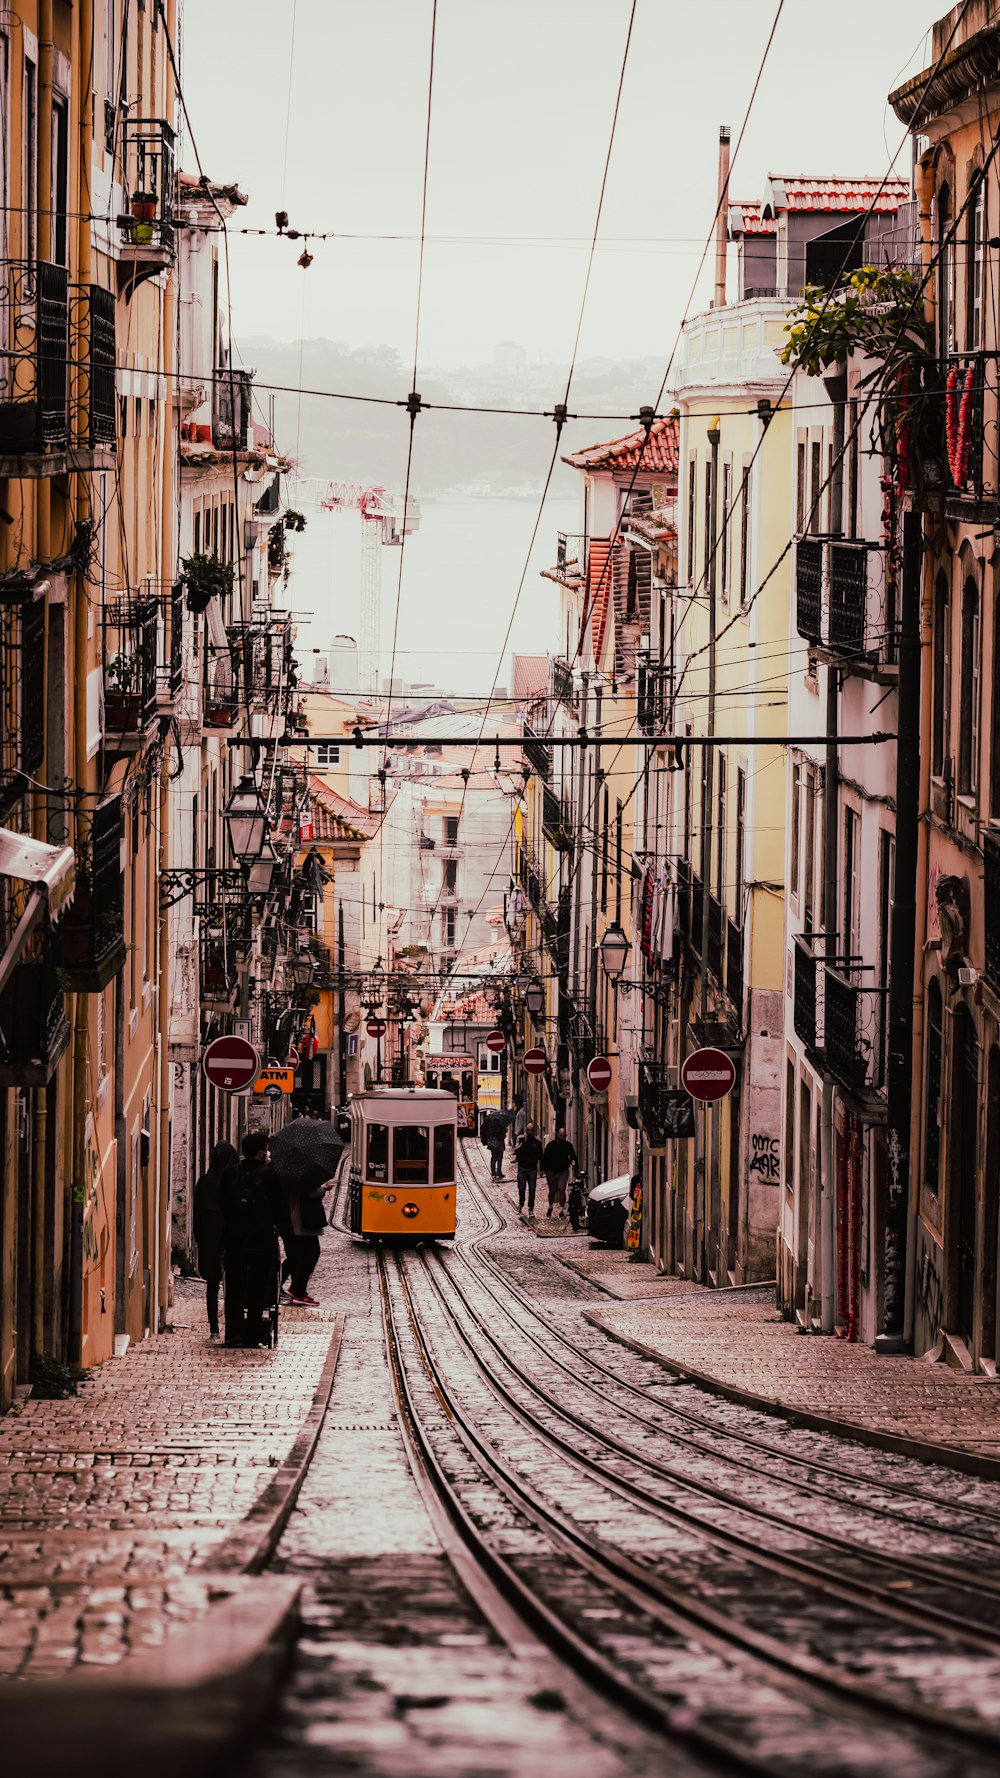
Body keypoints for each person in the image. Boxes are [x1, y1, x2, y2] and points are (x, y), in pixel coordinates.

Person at [221, 1131, 286, 1347]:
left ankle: (234, 1333)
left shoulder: (230, 1175)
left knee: (235, 1287)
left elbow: (223, 1208)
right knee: (259, 1288)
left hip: (235, 1241)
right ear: (260, 1153)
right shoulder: (271, 1177)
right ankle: (253, 1334)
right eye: (266, 1150)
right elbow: (281, 1212)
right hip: (262, 1242)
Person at [192, 1140, 238, 1340]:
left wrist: (199, 1239)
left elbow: (197, 1214)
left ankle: (214, 1328)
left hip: (209, 1238)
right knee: (233, 1283)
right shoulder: (235, 1181)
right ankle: (232, 1327)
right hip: (231, 1236)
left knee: (212, 1285)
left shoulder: (204, 1181)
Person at [280, 1176, 334, 1305]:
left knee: (296, 1257)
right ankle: (298, 1290)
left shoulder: (288, 1174)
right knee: (309, 1255)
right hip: (303, 1221)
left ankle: (283, 1286)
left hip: (293, 1220)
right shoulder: (302, 1176)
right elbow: (310, 1193)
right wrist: (324, 1188)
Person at [541, 1126, 577, 1219]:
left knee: (562, 1189)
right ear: (557, 1135)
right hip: (551, 1171)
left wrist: (575, 1165)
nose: (562, 1138)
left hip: (563, 1171)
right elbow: (545, 1158)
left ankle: (561, 1210)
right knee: (552, 1191)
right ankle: (550, 1206)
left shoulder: (568, 1145)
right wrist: (544, 1169)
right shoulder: (551, 1145)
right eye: (561, 1136)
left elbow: (573, 1156)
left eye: (564, 1136)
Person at [513, 1122, 543, 1219]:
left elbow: (540, 1156)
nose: (529, 1132)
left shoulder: (537, 1141)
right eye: (528, 1130)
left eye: (531, 1130)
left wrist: (541, 1169)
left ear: (534, 1131)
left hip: (532, 1169)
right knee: (521, 1188)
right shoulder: (520, 1139)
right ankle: (521, 1204)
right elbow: (516, 1150)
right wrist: (524, 1142)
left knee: (532, 1189)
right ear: (526, 1130)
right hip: (522, 1168)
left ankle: (531, 1209)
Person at [480, 1107, 512, 1180]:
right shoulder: (500, 1126)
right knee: (499, 1158)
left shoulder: (489, 1126)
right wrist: (504, 1132)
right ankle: (498, 1172)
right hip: (500, 1144)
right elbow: (503, 1136)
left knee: (493, 1158)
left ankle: (493, 1172)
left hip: (492, 1144)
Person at [625, 1172, 644, 1257]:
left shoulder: (635, 1179)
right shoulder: (636, 1179)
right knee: (636, 1228)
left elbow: (631, 1195)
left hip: (636, 1210)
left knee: (635, 1228)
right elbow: (632, 1195)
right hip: (637, 1209)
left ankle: (635, 1248)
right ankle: (636, 1247)